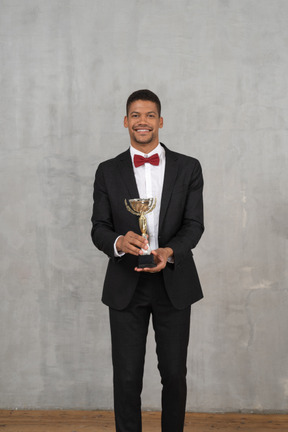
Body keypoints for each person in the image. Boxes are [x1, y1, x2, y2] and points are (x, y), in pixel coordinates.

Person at [91, 89, 204, 432]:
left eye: (150, 115)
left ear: (161, 121)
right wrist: (119, 242)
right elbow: (99, 228)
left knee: (173, 374)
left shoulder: (188, 167)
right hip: (126, 284)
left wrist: (169, 252)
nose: (143, 122)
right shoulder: (108, 170)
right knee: (126, 377)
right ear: (126, 121)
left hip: (173, 282)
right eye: (136, 115)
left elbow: (194, 225)